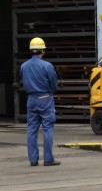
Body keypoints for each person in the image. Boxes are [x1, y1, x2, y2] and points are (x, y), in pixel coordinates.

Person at [20, 37, 60, 167]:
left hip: (31, 99)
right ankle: (48, 159)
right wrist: (51, 90)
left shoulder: (24, 66)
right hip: (45, 99)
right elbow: (54, 83)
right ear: (43, 50)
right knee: (48, 129)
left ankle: (33, 160)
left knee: (31, 130)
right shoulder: (47, 66)